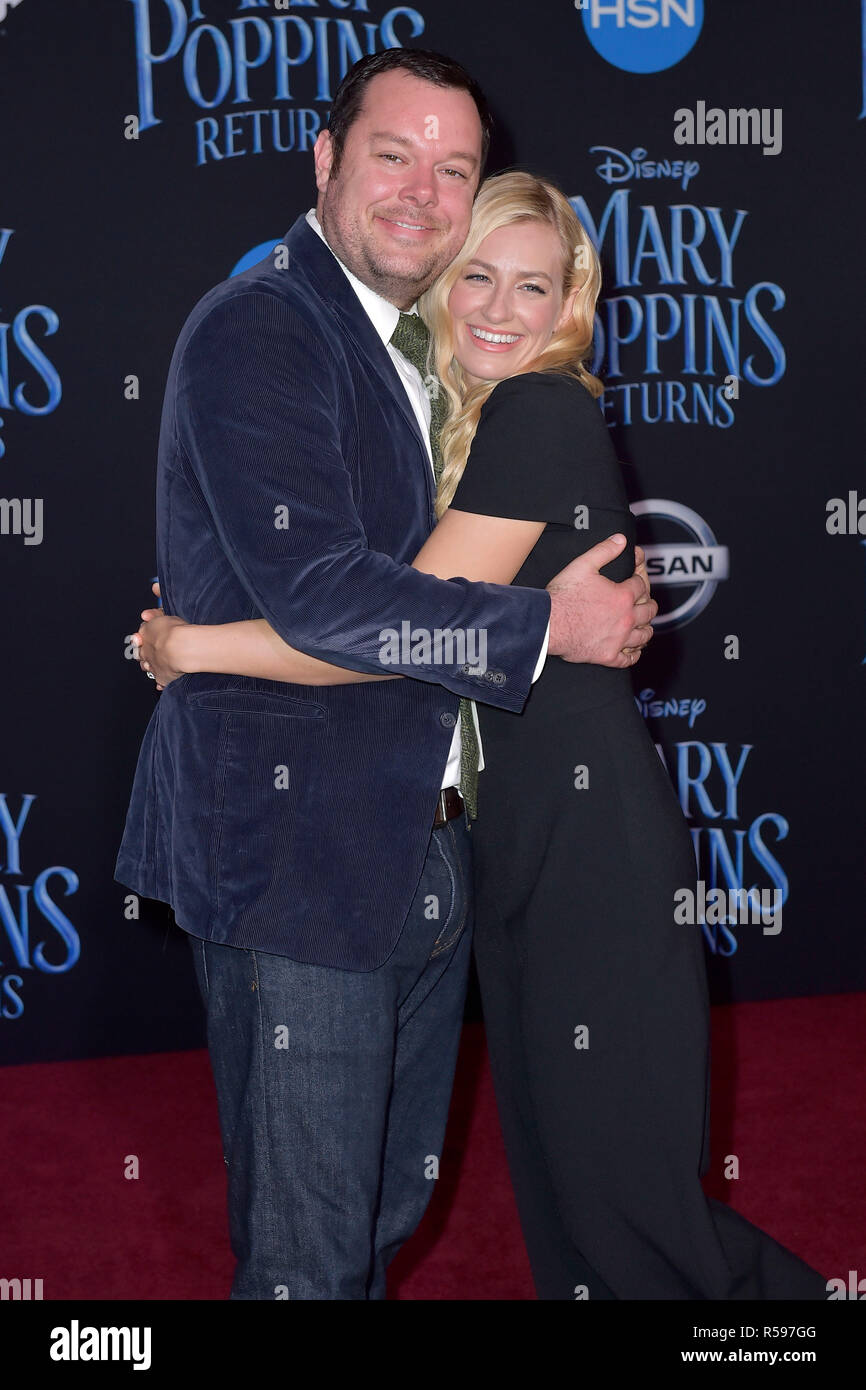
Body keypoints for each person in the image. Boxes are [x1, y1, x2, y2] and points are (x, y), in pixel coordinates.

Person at [136, 169, 827, 1301]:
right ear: (441, 289)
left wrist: (195, 646)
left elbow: (379, 633)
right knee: (573, 1223)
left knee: (633, 1221)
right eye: (478, 278)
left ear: (570, 306)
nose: (501, 309)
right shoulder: (459, 430)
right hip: (516, 857)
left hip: (583, 861)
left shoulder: (538, 412)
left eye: (535, 287)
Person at [116, 51, 656, 1302]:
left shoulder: (434, 355)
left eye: (451, 167)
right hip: (297, 858)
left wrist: (191, 641)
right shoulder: (262, 327)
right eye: (390, 154)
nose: (420, 191)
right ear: (324, 160)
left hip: (427, 847)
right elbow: (322, 595)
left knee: (375, 1221)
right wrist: (540, 628)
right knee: (308, 1255)